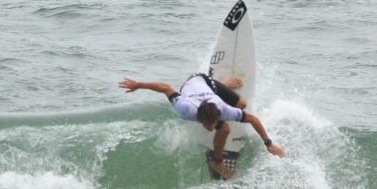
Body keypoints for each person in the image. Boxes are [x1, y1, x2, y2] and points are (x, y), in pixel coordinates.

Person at [119, 73, 285, 179]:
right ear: (200, 119)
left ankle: (223, 84)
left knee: (242, 104)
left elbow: (253, 119)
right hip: (192, 84)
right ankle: (217, 161)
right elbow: (166, 88)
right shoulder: (185, 109)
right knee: (224, 129)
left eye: (214, 123)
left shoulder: (223, 110)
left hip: (206, 82)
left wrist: (268, 143)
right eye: (209, 125)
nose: (211, 128)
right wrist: (138, 85)